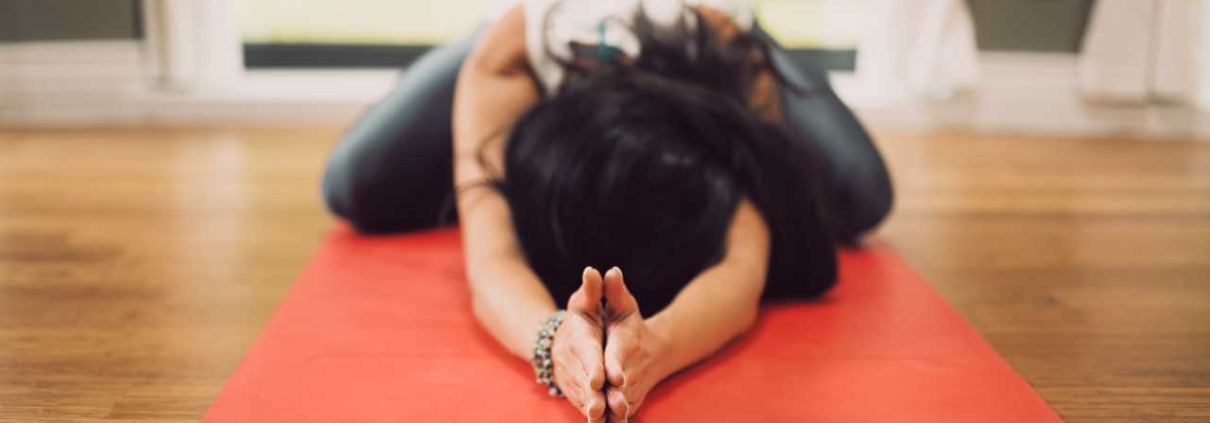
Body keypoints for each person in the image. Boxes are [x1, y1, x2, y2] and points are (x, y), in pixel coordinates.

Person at [321, 0, 893, 421]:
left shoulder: (724, 59)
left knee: (862, 196)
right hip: (523, 31)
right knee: (352, 187)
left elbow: (746, 262)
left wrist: (652, 351)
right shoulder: (510, 60)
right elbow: (490, 255)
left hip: (711, 26)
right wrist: (551, 341)